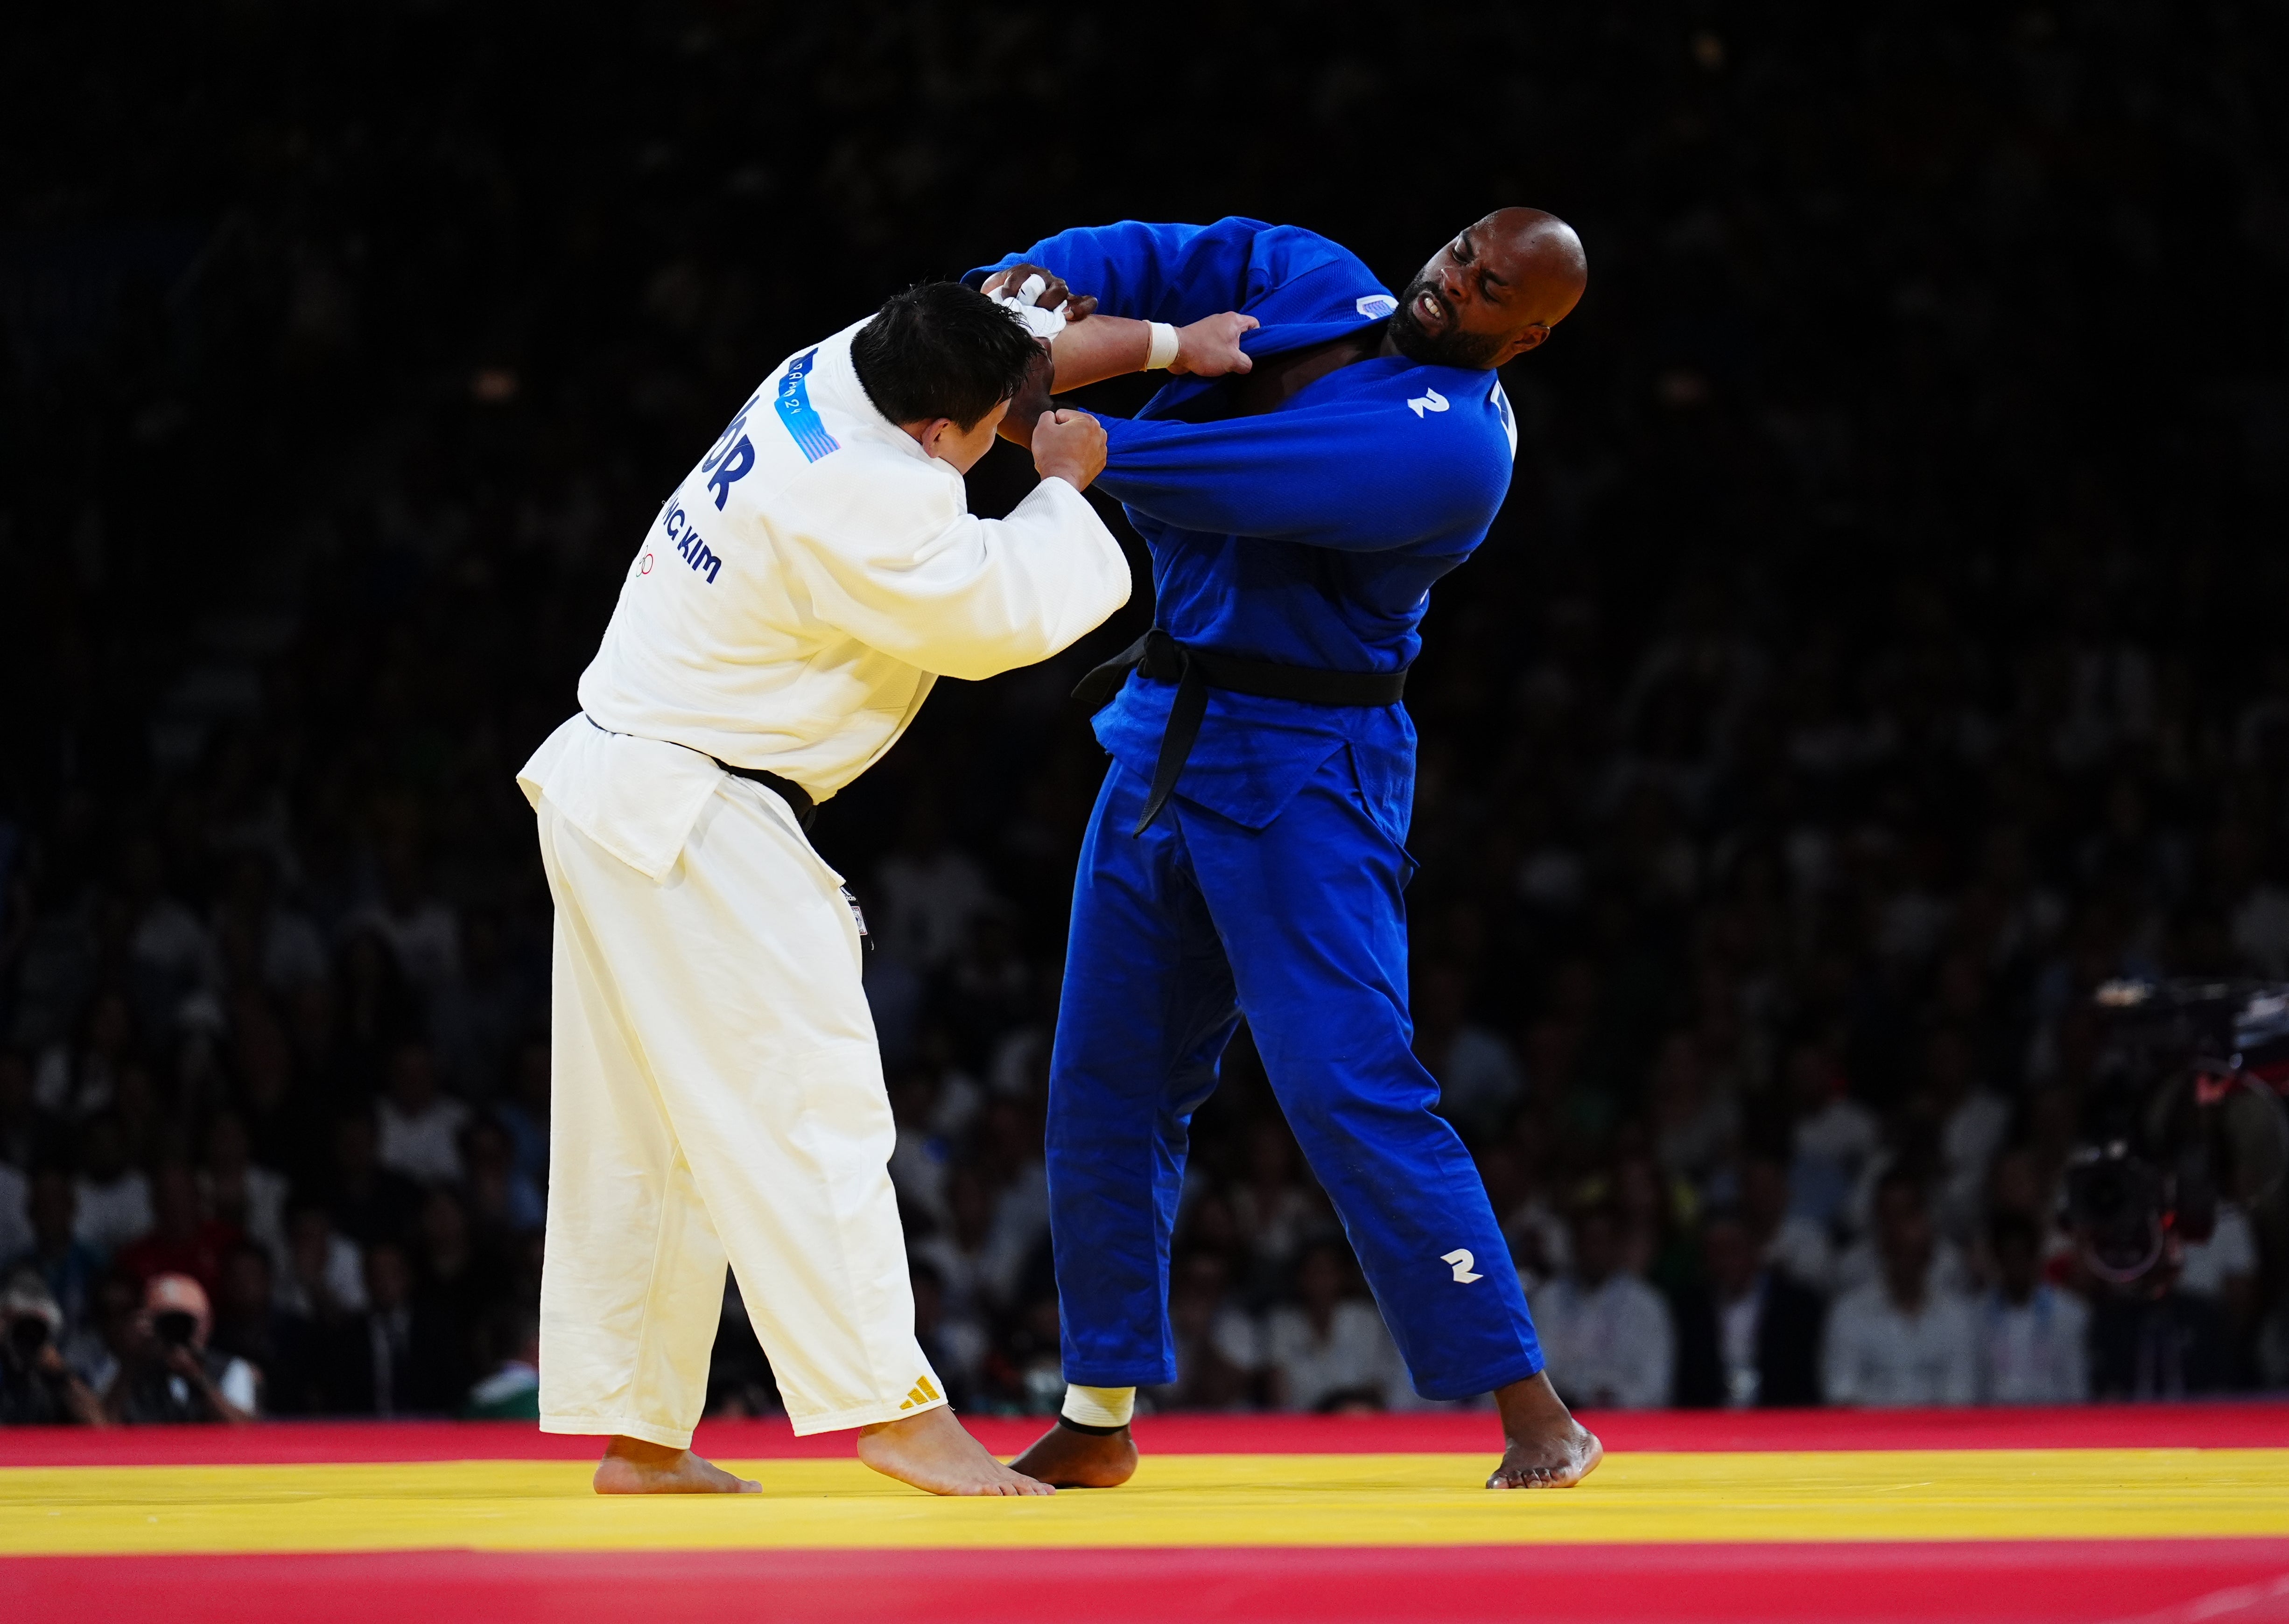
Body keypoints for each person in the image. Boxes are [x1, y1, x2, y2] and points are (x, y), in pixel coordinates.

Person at [966, 211, 1603, 1490]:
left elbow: (1238, 474)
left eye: (1489, 289)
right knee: (1107, 1079)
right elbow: (1170, 252)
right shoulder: (1321, 282)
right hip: (1164, 744)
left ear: (1522, 335)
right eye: (1463, 249)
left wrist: (1072, 433)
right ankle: (1097, 1412)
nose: (1455, 278)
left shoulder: (1454, 453)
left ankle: (1536, 1412)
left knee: (1342, 1082)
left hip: (1310, 771)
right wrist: (1040, 282)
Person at [515, 280, 1183, 1496]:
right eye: (995, 429)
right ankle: (896, 1411)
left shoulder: (841, 363)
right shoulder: (862, 501)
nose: (1001, 440)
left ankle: (643, 1435)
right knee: (808, 1109)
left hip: (617, 782)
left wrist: (1177, 342)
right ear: (940, 433)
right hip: (694, 819)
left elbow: (997, 329)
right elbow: (1002, 614)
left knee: (660, 1137)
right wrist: (1064, 487)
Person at [1820, 1170, 1978, 1406]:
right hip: (1870, 1437)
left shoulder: (1957, 1317)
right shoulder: (1850, 1313)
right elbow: (1841, 1393)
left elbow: (1961, 1396)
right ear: (1886, 1253)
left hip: (1939, 1438)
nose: (1908, 1262)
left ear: (1929, 1257)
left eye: (1916, 1254)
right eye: (1901, 1252)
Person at [1671, 1209, 1825, 1408]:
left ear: (1756, 1248)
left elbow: (1806, 1383)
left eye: (1733, 1248)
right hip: (1710, 1424)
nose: (1725, 1260)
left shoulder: (1797, 1306)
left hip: (1780, 1421)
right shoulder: (1689, 1310)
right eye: (1715, 1251)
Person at [1530, 1203, 1675, 1410]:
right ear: (1574, 1245)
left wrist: (1612, 1398)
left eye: (1602, 1241)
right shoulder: (1547, 1299)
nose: (1594, 1250)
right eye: (1587, 1241)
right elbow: (1538, 1374)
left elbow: (1656, 1385)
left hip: (1627, 1422)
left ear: (1617, 1245)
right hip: (1563, 1419)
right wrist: (1577, 1397)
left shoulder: (1646, 1304)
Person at [105, 1272, 260, 1425]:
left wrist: (199, 1379)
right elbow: (101, 1429)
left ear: (207, 1324)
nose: (175, 1331)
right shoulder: (124, 1370)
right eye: (166, 1323)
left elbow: (244, 1433)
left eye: (185, 1322)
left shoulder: (232, 1370)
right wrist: (131, 1364)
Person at [1976, 1212, 2089, 1404]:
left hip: (2051, 1422)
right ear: (1997, 1260)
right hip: (1996, 1422)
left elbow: (2075, 1384)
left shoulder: (2069, 1313)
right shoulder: (1977, 1316)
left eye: (2021, 1256)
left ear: (2035, 1257)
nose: (2015, 1266)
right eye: (2008, 1258)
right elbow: (1976, 1386)